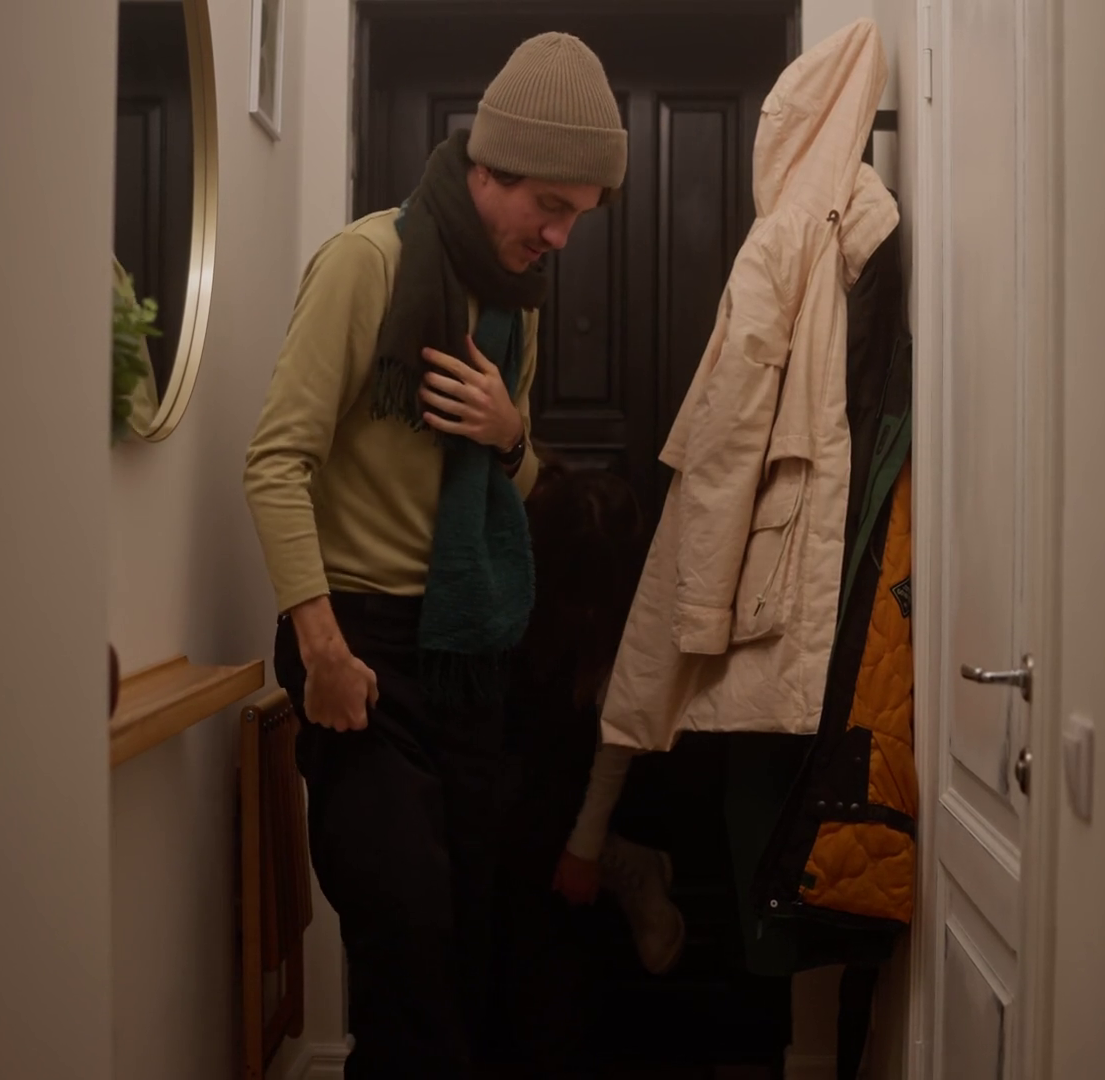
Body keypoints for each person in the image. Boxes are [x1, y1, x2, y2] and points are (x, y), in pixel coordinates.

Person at [243, 31, 628, 1079]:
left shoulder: (515, 307)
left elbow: (521, 478)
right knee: (406, 940)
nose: (561, 235)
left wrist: (511, 435)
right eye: (550, 205)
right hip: (359, 648)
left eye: (580, 216)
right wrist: (322, 650)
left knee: (465, 948)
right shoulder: (367, 264)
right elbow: (274, 464)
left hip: (467, 654)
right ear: (490, 165)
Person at [486, 456, 684, 1077]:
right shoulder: (512, 531)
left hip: (570, 763)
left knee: (543, 907)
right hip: (510, 742)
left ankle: (616, 858)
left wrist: (584, 847)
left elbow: (615, 740)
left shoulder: (629, 607)